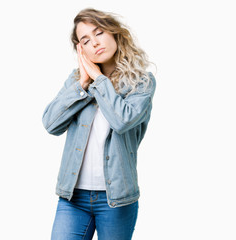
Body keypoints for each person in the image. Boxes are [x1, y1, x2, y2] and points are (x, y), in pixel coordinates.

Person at [42, 8, 156, 240]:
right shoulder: (77, 81)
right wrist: (82, 84)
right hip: (73, 198)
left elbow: (122, 120)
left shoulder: (141, 82)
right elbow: (51, 124)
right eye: (86, 40)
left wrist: (99, 80)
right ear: (80, 49)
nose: (94, 43)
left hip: (116, 200)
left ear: (114, 34)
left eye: (99, 32)